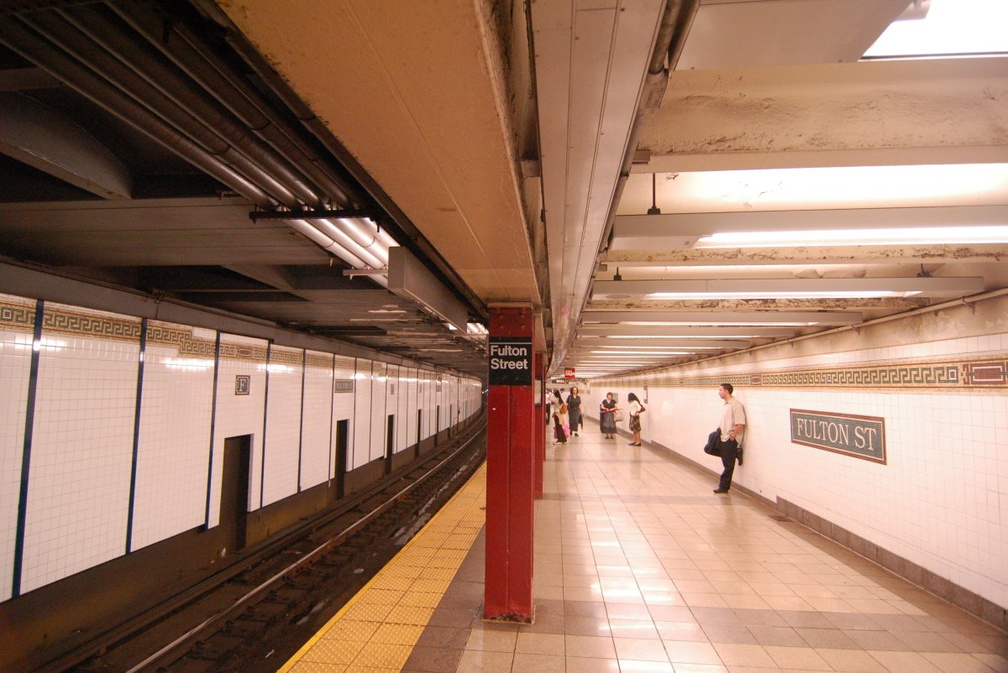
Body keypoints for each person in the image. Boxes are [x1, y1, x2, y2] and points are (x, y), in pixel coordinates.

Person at [713, 382, 746, 494]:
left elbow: (740, 424)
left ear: (727, 391)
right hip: (723, 437)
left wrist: (733, 436)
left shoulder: (735, 405)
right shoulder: (727, 404)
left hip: (730, 439)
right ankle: (735, 453)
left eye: (720, 390)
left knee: (728, 465)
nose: (719, 392)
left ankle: (724, 487)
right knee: (709, 448)